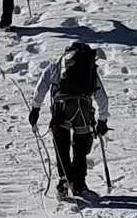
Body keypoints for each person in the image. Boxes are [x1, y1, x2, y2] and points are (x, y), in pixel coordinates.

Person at [28, 39, 108, 199]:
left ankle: (64, 179)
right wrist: (102, 120)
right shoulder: (89, 69)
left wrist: (35, 108)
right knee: (80, 149)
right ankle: (78, 183)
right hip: (84, 108)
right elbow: (102, 97)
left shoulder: (57, 65)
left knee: (62, 145)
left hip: (62, 108)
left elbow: (41, 87)